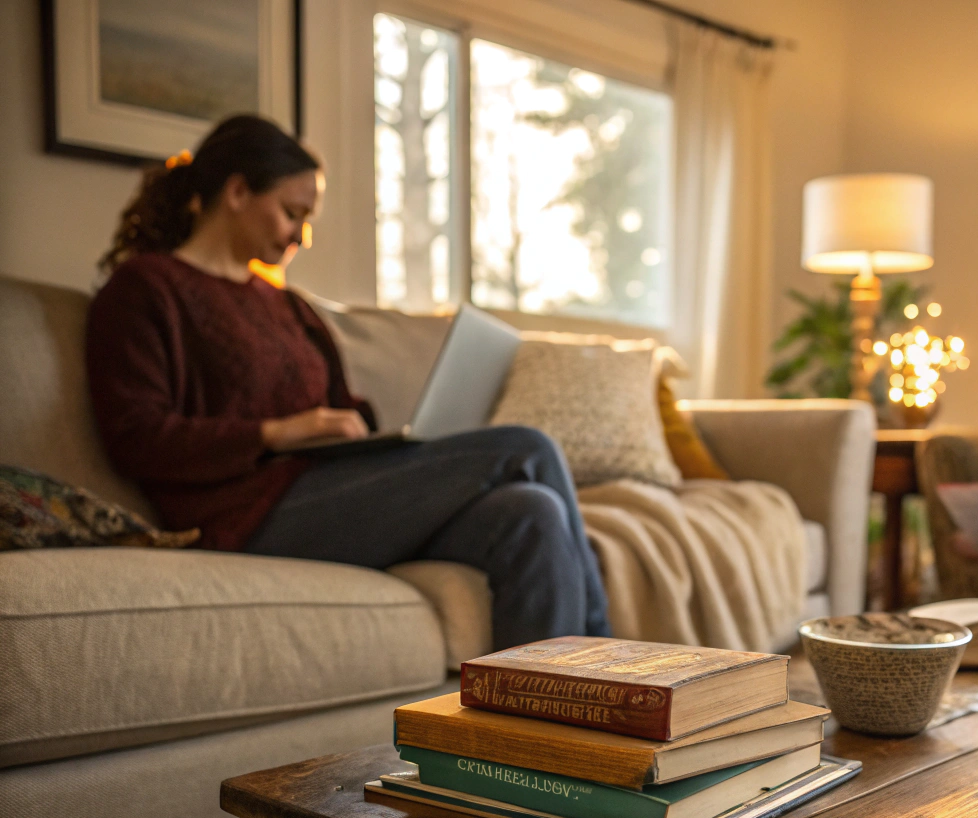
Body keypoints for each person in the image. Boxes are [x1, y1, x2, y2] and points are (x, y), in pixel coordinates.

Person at [85, 114, 609, 650]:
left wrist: (370, 430)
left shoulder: (289, 307)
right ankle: (609, 654)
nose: (302, 236)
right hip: (243, 517)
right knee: (526, 446)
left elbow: (343, 407)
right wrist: (278, 433)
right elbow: (137, 437)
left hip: (335, 491)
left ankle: (546, 725)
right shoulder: (146, 288)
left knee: (533, 513)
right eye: (292, 214)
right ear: (238, 191)